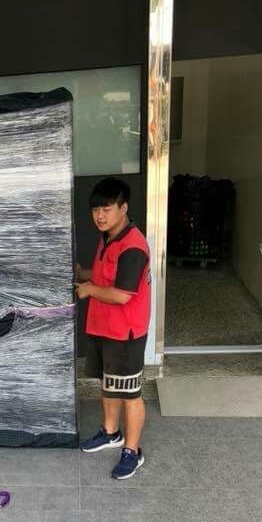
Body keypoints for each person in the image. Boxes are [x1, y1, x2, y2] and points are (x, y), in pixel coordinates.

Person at [75, 177, 151, 480]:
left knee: (130, 393)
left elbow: (121, 294)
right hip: (104, 327)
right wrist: (83, 273)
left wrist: (88, 289)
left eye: (106, 209)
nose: (100, 216)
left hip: (125, 333)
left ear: (124, 208)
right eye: (96, 210)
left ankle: (132, 451)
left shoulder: (133, 246)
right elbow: (106, 273)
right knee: (109, 384)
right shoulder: (108, 237)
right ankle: (110, 433)